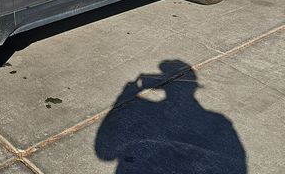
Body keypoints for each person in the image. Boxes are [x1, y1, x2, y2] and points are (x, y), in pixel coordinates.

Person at [95, 60, 246, 174]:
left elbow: (104, 152)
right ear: (193, 86)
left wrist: (125, 96)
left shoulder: (145, 113)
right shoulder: (220, 122)